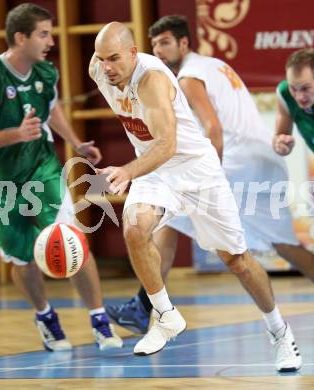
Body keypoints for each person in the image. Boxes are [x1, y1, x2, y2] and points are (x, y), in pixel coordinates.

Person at [90, 21, 301, 371]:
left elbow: (167, 145)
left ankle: (280, 332)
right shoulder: (100, 70)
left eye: (114, 58)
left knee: (238, 261)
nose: (107, 67)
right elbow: (155, 152)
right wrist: (132, 171)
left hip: (193, 166)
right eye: (101, 58)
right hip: (157, 170)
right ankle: (165, 315)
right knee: (134, 227)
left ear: (133, 53)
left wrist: (126, 171)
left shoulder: (152, 80)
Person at [0, 3, 122, 352]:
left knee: (73, 241)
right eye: (43, 34)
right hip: (1, 180)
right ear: (20, 37)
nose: (51, 40)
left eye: (52, 32)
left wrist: (76, 142)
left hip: (43, 170)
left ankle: (100, 322)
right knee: (20, 258)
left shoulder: (46, 73)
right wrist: (13, 135)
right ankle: (45, 317)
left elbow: (52, 110)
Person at [273, 48, 314, 157]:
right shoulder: (285, 94)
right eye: (293, 88)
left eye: (305, 88)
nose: (299, 96)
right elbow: (280, 137)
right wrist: (281, 146)